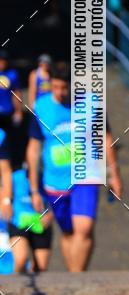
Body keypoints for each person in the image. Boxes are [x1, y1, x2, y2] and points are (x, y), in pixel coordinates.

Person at [26, 62, 123, 272]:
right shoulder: (41, 107)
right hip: (55, 181)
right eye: (55, 87)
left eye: (64, 87)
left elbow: (106, 138)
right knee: (69, 232)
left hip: (86, 173)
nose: (60, 92)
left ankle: (77, 277)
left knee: (84, 227)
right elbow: (33, 149)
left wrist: (114, 174)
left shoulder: (92, 103)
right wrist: (34, 189)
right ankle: (75, 277)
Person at [0, 49, 23, 136]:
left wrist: (18, 111)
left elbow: (16, 93)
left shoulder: (12, 74)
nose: (2, 63)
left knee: (8, 137)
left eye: (4, 60)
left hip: (8, 112)